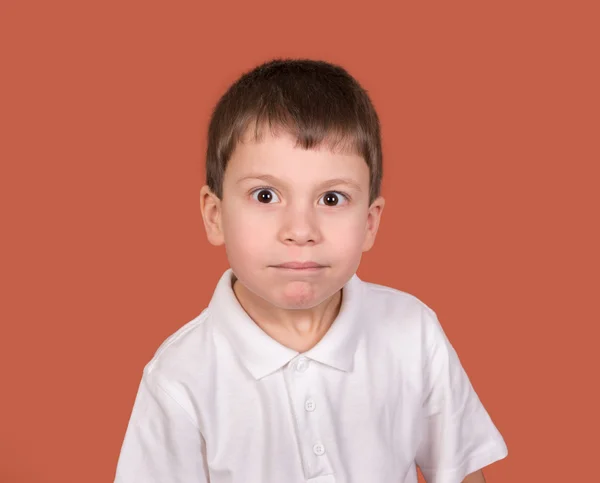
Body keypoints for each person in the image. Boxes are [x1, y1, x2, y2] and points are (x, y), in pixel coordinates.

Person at [114, 58, 508, 483]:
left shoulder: (413, 333)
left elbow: (460, 472)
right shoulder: (179, 378)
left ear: (370, 223)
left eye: (332, 199)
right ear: (215, 215)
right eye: (265, 196)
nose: (301, 231)